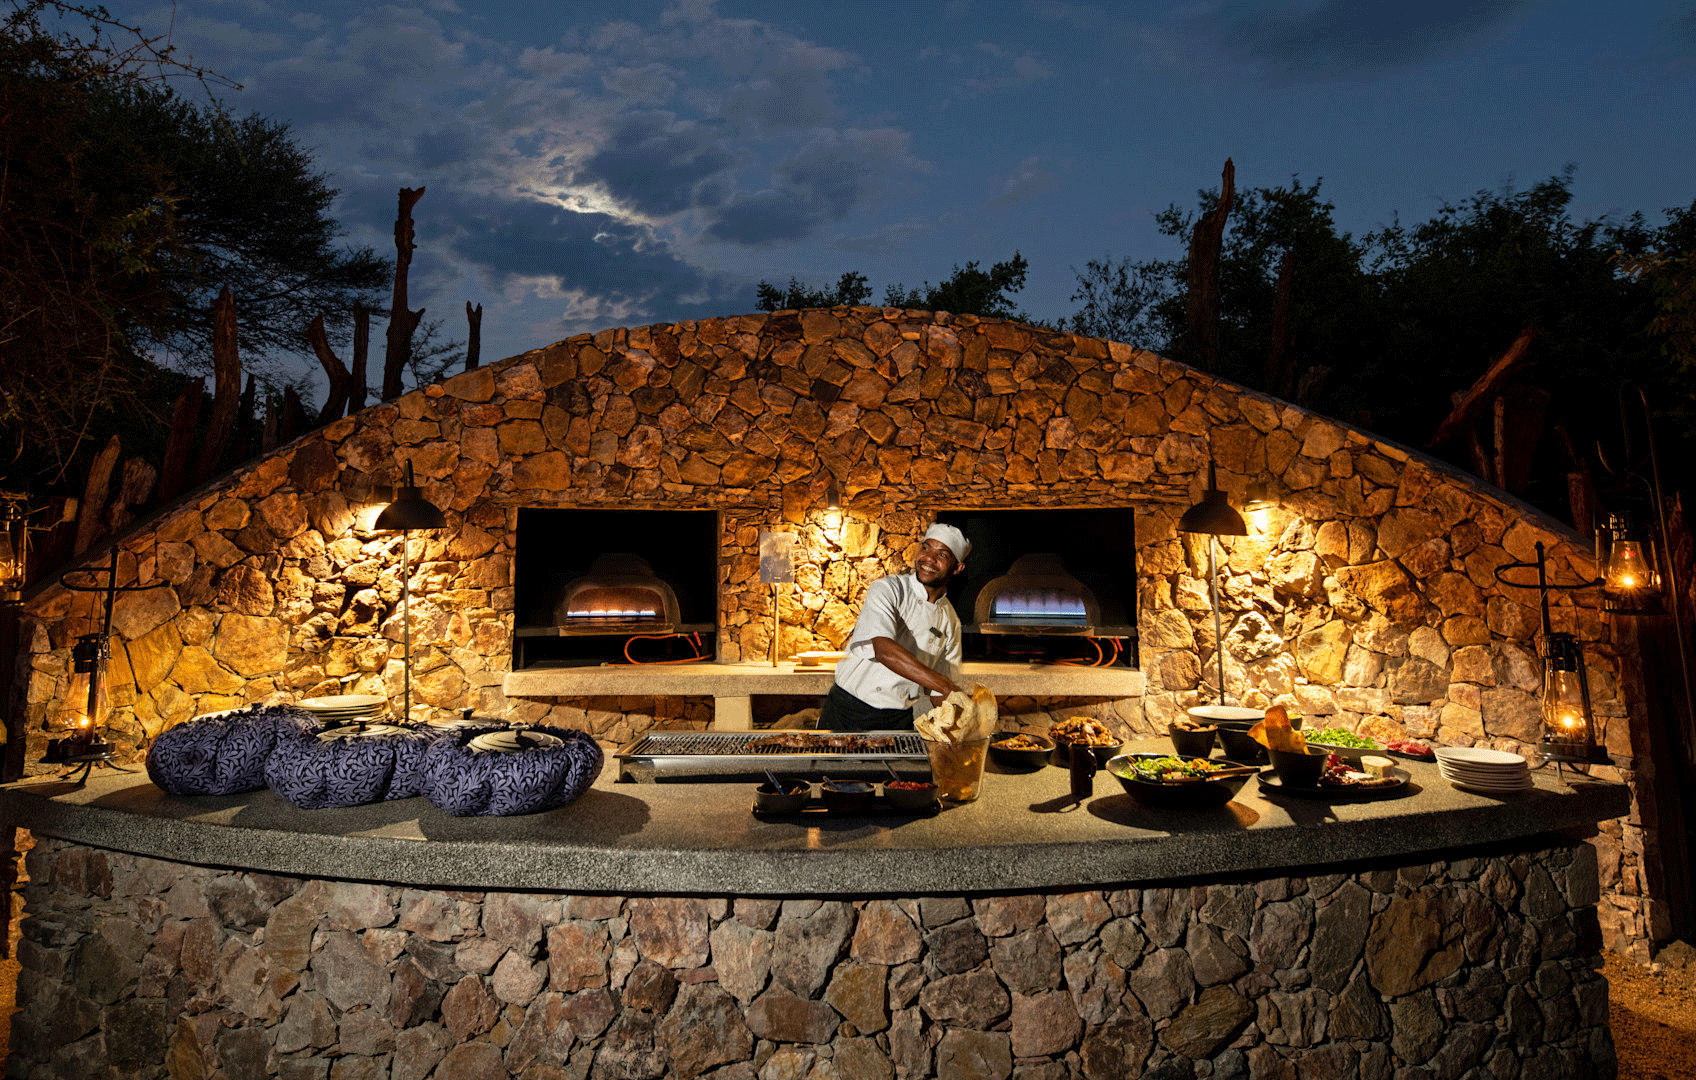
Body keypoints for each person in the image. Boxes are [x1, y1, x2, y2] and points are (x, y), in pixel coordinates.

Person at [818, 523, 970, 732]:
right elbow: (884, 650)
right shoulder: (887, 589)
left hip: (898, 718)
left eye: (942, 554)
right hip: (849, 711)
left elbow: (939, 693)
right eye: (926, 548)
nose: (929, 559)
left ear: (958, 567)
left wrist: (966, 720)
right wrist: (946, 686)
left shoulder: (950, 622)